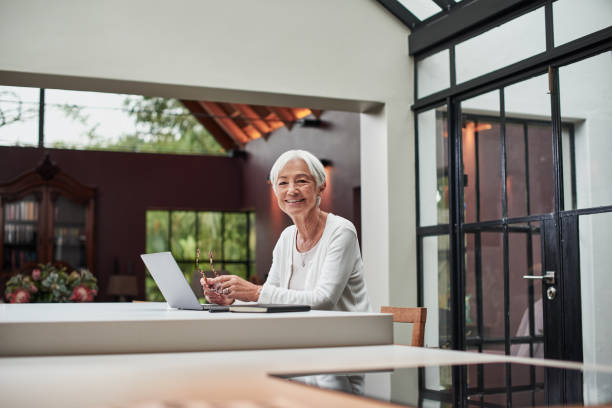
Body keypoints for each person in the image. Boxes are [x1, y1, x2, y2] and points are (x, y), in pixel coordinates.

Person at [202, 149, 371, 313]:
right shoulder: (287, 237)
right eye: (283, 183)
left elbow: (324, 300)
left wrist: (255, 292)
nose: (291, 190)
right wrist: (232, 300)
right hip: (305, 335)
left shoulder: (341, 231)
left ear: (321, 185)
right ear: (276, 191)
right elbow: (271, 298)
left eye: (302, 181)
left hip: (349, 335)